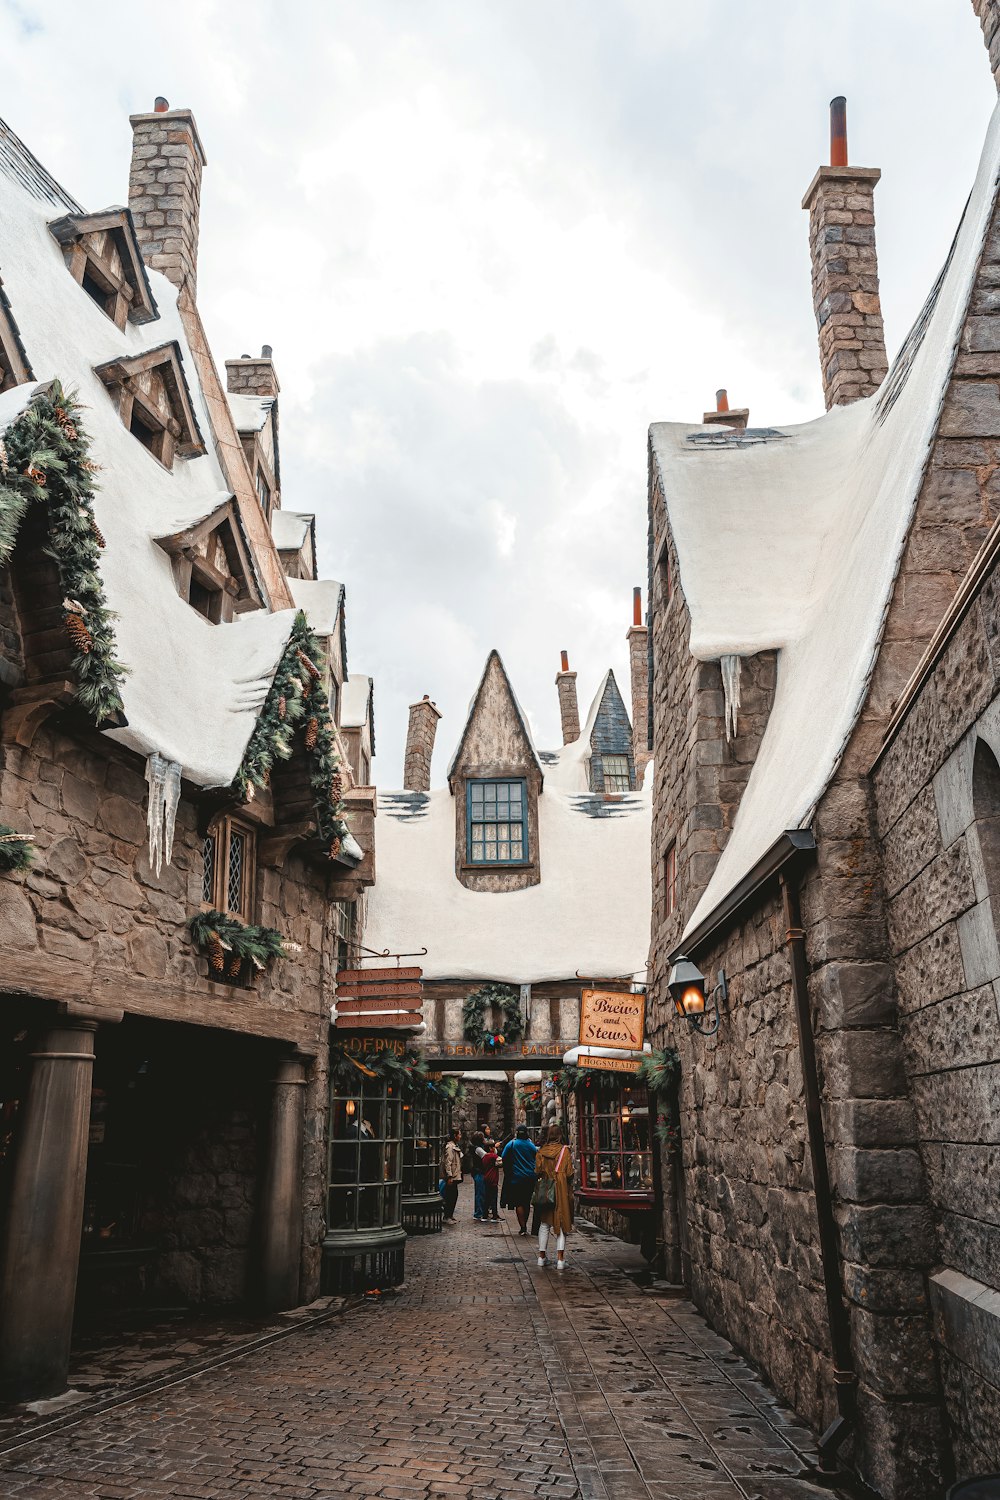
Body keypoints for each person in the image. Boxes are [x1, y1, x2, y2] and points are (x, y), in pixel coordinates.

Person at [534, 1124, 574, 1271]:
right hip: (561, 1190)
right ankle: (560, 1260)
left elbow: (537, 1171)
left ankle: (541, 1257)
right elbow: (569, 1173)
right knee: (562, 1223)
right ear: (559, 1136)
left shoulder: (541, 1152)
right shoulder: (565, 1151)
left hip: (546, 1191)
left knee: (544, 1224)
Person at [500, 1125, 537, 1236]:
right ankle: (525, 1223)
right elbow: (536, 1156)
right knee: (526, 1202)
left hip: (516, 1178)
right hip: (530, 1178)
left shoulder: (512, 1144)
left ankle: (523, 1227)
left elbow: (504, 1156)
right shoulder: (531, 1145)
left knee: (519, 1203)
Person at [442, 1127, 462, 1225]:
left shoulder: (455, 1145)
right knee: (450, 1196)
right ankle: (447, 1216)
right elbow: (447, 1162)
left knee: (454, 1195)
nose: (460, 1136)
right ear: (455, 1135)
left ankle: (450, 1215)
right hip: (452, 1176)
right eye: (459, 1134)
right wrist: (449, 1176)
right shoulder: (450, 1147)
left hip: (455, 1175)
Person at [470, 1131, 488, 1221]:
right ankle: (478, 1213)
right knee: (480, 1193)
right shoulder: (478, 1149)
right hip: (479, 1172)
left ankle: (481, 1212)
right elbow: (486, 1156)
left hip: (479, 1171)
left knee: (481, 1193)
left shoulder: (478, 1148)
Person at [482, 1138, 500, 1222]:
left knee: (487, 1197)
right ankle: (494, 1215)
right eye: (493, 1147)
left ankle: (484, 1215)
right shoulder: (493, 1156)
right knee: (494, 1198)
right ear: (490, 1148)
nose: (494, 1149)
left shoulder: (485, 1156)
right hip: (493, 1178)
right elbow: (500, 1162)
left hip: (486, 1178)